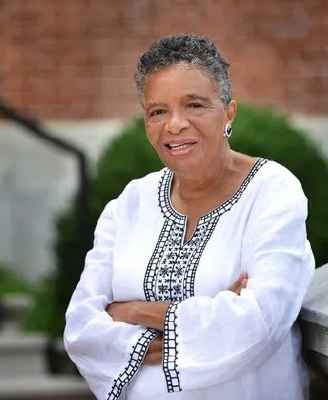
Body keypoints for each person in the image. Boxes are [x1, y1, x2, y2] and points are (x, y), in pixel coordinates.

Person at [64, 34, 315, 400]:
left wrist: (134, 311)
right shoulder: (130, 204)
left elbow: (259, 322)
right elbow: (82, 330)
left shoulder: (272, 192)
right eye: (157, 111)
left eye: (194, 105)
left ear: (229, 112)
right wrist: (209, 321)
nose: (175, 124)